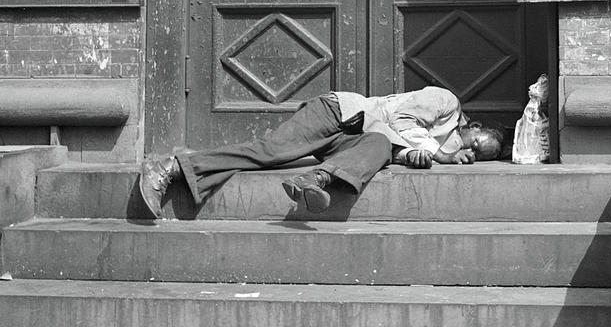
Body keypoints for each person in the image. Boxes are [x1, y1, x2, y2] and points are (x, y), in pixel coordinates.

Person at [138, 86, 503, 219]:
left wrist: (411, 157)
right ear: (470, 127)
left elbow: (387, 145)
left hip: (356, 140)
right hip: (338, 114)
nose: (468, 152)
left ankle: (317, 178)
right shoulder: (446, 103)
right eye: (473, 143)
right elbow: (397, 117)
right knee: (269, 152)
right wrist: (435, 154)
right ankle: (168, 167)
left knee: (377, 146)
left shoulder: (438, 146)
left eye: (477, 155)